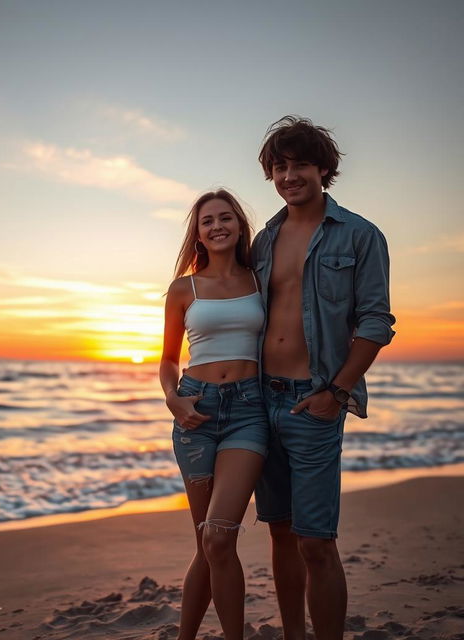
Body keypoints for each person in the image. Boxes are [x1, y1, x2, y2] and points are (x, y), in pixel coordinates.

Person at [251, 116, 396, 640]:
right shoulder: (263, 240)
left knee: (316, 540)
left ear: (324, 169)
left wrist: (335, 392)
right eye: (280, 167)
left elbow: (376, 321)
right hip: (257, 402)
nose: (290, 176)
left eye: (300, 165)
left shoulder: (359, 235)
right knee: (281, 534)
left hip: (312, 401)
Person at [160, 189, 269, 640]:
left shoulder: (262, 280)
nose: (217, 225)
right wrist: (173, 398)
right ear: (198, 233)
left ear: (241, 226)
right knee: (206, 544)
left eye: (226, 218)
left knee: (220, 536)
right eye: (208, 221)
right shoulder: (183, 289)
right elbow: (167, 358)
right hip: (196, 411)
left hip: (248, 411)